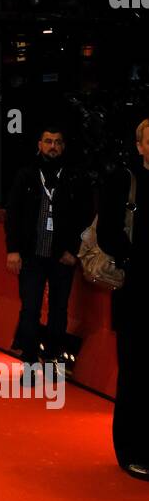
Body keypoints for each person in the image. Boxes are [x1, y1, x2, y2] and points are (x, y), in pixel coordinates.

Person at [4, 125, 93, 367]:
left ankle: (54, 358)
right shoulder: (26, 175)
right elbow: (13, 214)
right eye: (48, 141)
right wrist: (13, 250)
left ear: (63, 147)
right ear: (39, 145)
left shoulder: (75, 177)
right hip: (31, 255)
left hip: (62, 256)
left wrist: (74, 251)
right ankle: (29, 360)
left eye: (57, 142)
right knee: (30, 309)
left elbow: (86, 217)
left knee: (59, 311)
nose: (52, 146)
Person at [97, 117, 149, 480]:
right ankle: (131, 449)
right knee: (135, 373)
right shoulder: (124, 181)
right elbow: (107, 232)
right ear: (140, 145)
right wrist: (132, 261)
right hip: (136, 292)